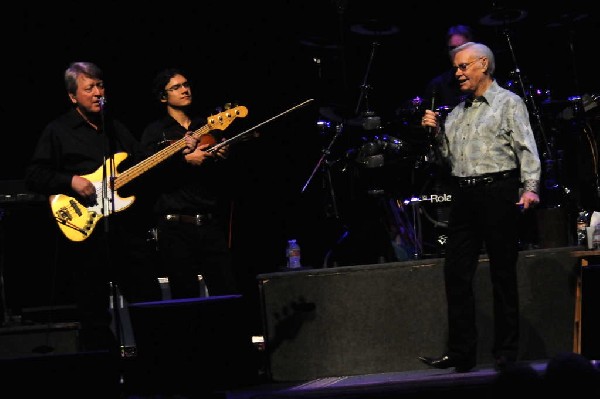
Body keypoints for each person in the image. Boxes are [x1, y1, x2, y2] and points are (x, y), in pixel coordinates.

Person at [24, 62, 197, 353]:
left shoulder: (115, 127)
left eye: (100, 86)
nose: (97, 93)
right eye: (88, 88)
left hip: (126, 231)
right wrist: (71, 181)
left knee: (148, 301)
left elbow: (144, 163)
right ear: (72, 96)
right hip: (87, 234)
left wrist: (179, 152)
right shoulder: (58, 130)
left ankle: (156, 375)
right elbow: (34, 175)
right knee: (93, 313)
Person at [418, 42, 541, 372]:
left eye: (463, 66)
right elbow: (445, 162)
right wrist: (433, 135)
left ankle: (506, 351)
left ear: (483, 65)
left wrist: (530, 188)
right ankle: (461, 352)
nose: (457, 73)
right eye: (456, 68)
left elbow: (526, 147)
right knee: (456, 273)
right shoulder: (457, 113)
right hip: (465, 195)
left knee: (502, 273)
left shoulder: (508, 103)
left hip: (498, 191)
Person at [139, 67, 238, 299]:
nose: (184, 90)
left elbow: (225, 177)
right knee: (185, 297)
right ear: (163, 97)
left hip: (209, 221)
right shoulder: (154, 132)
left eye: (186, 85)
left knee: (226, 291)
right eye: (176, 87)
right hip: (175, 227)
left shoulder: (207, 124)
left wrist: (224, 155)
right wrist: (184, 161)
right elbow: (146, 173)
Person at [423, 24, 475, 109]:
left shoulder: (486, 80)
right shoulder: (437, 86)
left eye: (461, 47)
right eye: (452, 48)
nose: (456, 52)